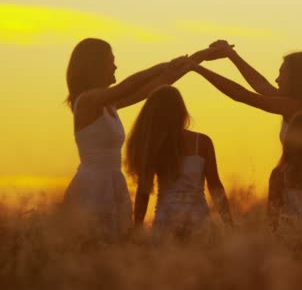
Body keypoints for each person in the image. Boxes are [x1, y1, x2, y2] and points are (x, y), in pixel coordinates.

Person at [64, 38, 219, 237]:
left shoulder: (109, 104)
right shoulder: (87, 101)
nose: (115, 66)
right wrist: (162, 65)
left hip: (113, 182)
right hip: (93, 186)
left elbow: (156, 86)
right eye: (110, 61)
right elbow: (128, 86)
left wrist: (196, 60)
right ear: (95, 65)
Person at [126, 86, 233, 237]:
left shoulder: (153, 145)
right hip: (198, 218)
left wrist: (137, 228)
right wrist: (228, 223)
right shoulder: (202, 142)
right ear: (181, 111)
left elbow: (143, 192)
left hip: (166, 218)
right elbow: (215, 185)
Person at [191, 40, 302, 142]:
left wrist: (196, 68)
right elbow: (261, 85)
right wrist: (232, 55)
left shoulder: (296, 107)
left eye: (282, 73)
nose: (277, 79)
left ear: (297, 78)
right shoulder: (296, 104)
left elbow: (241, 95)